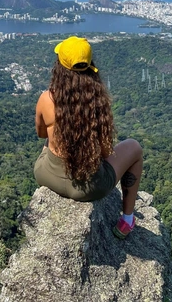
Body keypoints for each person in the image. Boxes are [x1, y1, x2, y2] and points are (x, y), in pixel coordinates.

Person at [34, 36, 143, 239]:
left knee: (51, 138)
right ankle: (127, 221)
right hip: (88, 189)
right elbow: (104, 152)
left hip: (47, 177)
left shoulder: (46, 98)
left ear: (59, 65)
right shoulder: (98, 103)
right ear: (90, 64)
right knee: (134, 148)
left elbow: (41, 134)